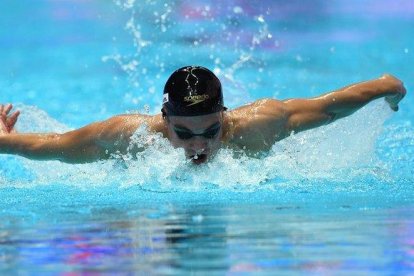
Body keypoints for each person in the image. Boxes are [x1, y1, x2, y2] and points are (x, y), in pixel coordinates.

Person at [0, 66, 407, 165]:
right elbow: (52, 147)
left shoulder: (258, 123)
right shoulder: (130, 135)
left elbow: (330, 105)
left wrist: (386, 88)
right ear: (163, 120)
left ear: (225, 115)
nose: (199, 145)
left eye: (211, 131)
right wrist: (5, 140)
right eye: (184, 133)